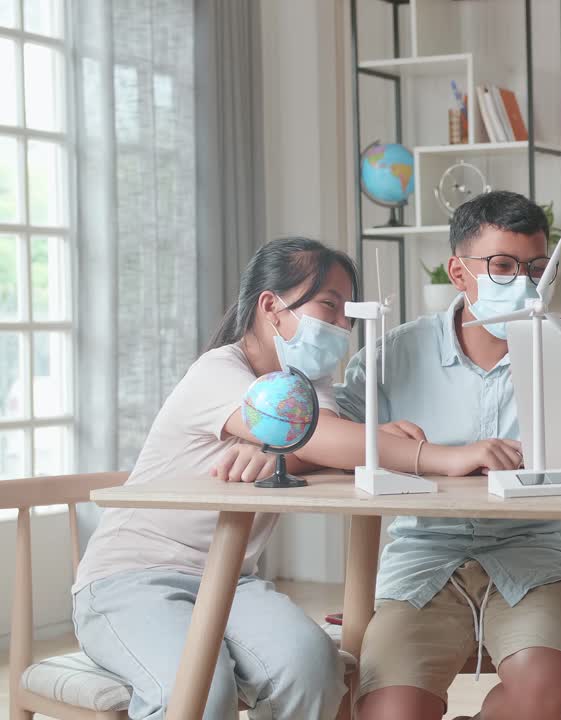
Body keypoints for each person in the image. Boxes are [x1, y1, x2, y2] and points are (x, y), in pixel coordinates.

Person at [71, 237, 357, 720]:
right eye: (330, 306)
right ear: (272, 306)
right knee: (200, 690)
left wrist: (274, 451)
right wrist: (429, 453)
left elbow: (323, 446)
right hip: (130, 580)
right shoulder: (218, 371)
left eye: (349, 313)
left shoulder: (308, 382)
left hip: (230, 581)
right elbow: (324, 440)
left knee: (311, 666)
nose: (343, 325)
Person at [342, 191, 561, 720]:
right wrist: (419, 452)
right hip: (422, 561)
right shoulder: (393, 354)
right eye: (503, 266)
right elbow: (327, 434)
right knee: (387, 713)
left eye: (534, 268)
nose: (523, 282)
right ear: (459, 274)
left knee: (544, 694)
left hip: (535, 558)